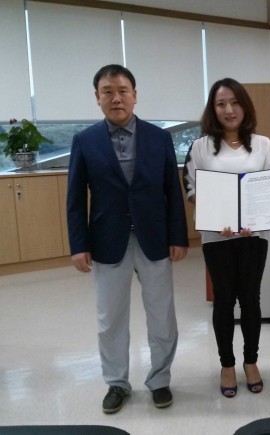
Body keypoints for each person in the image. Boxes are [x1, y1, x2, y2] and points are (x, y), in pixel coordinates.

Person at [67, 64, 189, 414]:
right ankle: (117, 383)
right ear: (97, 98)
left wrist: (178, 236)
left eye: (123, 91)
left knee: (162, 316)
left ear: (135, 95)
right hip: (107, 240)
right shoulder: (85, 141)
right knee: (110, 320)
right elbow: (75, 198)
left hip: (155, 238)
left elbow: (172, 191)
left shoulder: (159, 138)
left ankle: (160, 379)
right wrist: (79, 244)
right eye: (108, 91)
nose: (116, 98)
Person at [182, 78, 270, 398]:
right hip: (216, 237)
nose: (229, 109)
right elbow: (191, 188)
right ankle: (226, 364)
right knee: (224, 299)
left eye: (235, 102)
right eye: (221, 104)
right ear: (213, 109)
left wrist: (255, 218)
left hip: (254, 235)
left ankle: (251, 361)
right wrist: (214, 216)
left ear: (244, 106)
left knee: (250, 299)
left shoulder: (264, 145)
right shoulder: (200, 147)